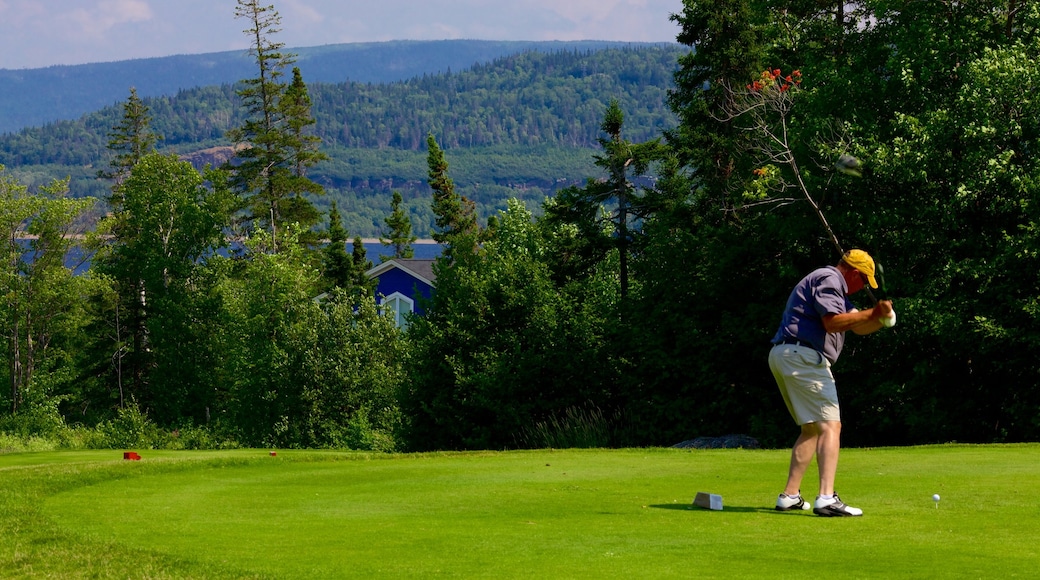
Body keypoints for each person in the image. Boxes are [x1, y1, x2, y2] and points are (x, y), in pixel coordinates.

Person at [768, 249, 894, 517]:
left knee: (812, 428)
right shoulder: (829, 279)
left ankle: (790, 496)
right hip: (803, 356)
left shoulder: (837, 291)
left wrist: (879, 319)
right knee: (830, 426)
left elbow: (857, 325)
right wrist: (874, 311)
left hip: (789, 355)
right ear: (855, 273)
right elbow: (833, 323)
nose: (862, 288)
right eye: (864, 281)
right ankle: (826, 498)